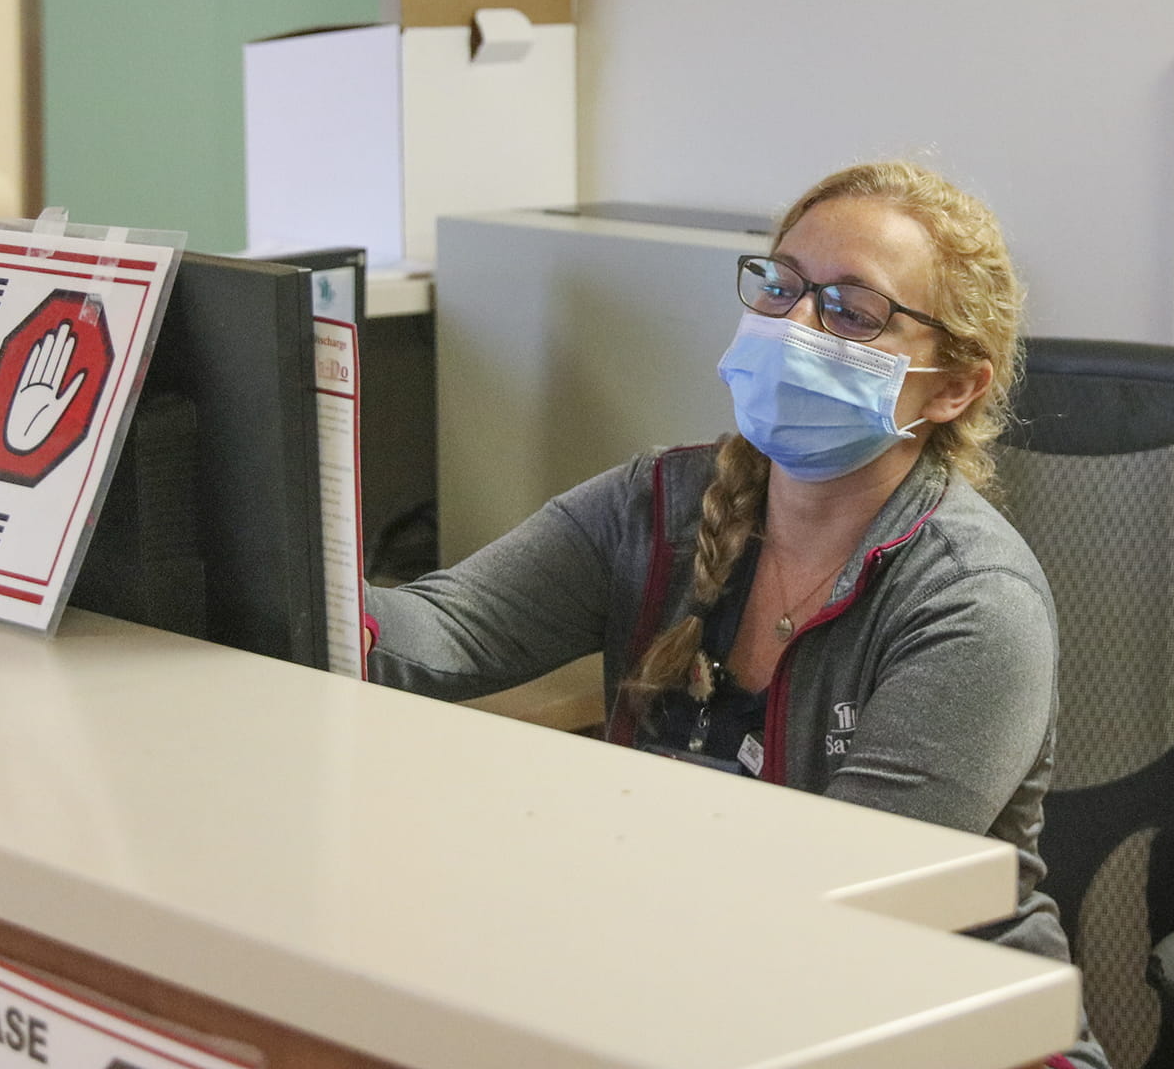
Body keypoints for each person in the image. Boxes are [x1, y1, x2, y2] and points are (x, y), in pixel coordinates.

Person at [363, 159, 1107, 1069]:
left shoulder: (973, 602)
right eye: (781, 284)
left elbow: (847, 904)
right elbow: (441, 636)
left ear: (952, 388)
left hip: (938, 1033)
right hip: (698, 997)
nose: (794, 322)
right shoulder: (658, 504)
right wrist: (282, 555)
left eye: (850, 308)